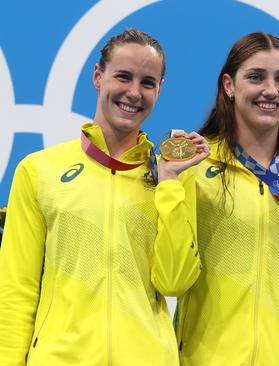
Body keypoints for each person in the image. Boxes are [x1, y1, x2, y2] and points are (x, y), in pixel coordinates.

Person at [0, 28, 209, 365]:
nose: (133, 93)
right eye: (123, 77)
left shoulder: (173, 176)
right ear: (98, 76)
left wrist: (169, 183)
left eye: (147, 83)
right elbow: (15, 291)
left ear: (159, 90)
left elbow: (174, 282)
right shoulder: (39, 171)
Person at [174, 32, 279, 365]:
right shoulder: (194, 165)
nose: (271, 90)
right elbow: (172, 277)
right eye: (256, 77)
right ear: (229, 85)